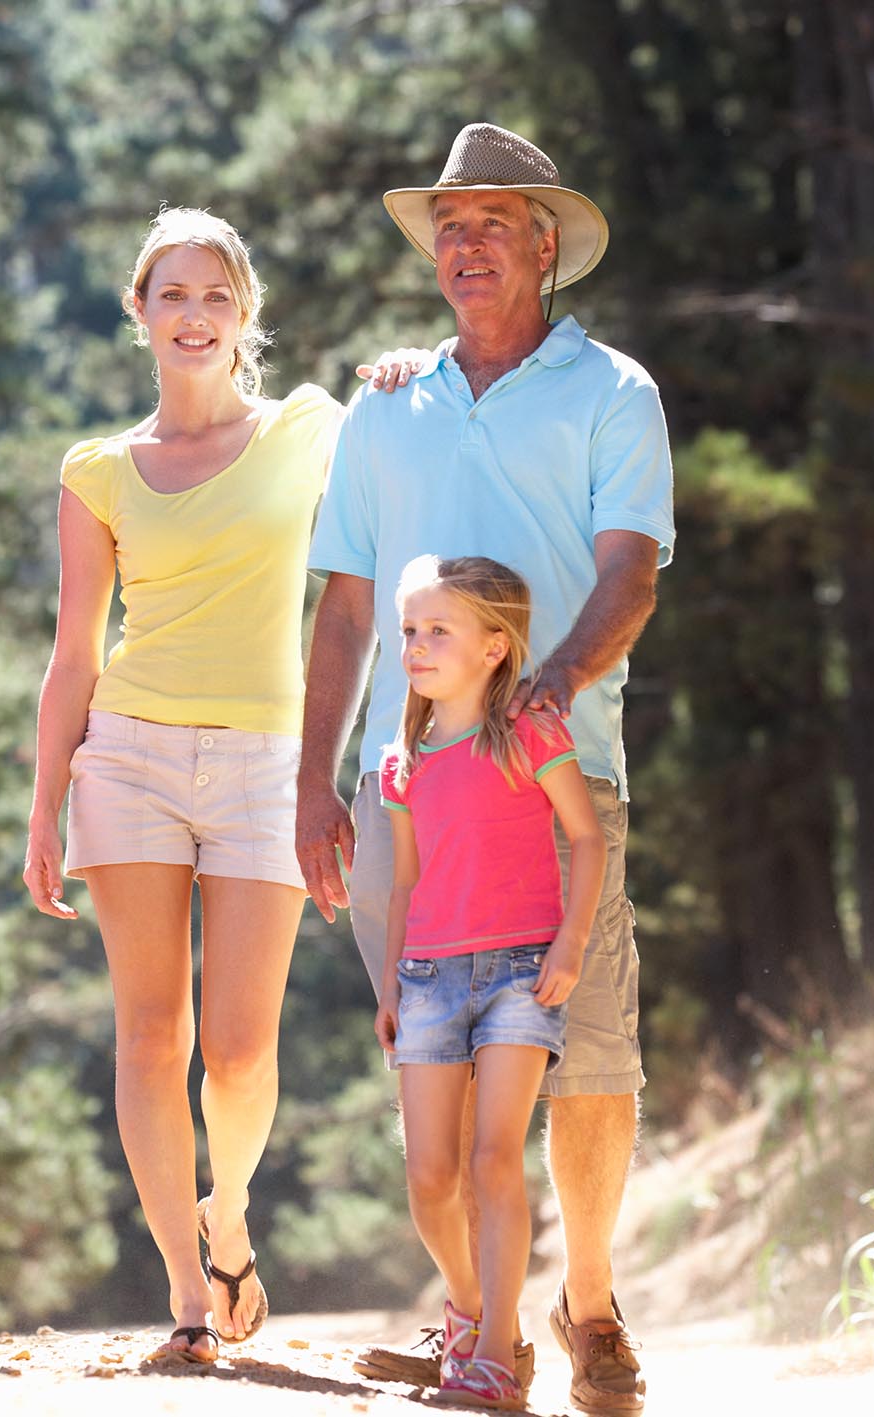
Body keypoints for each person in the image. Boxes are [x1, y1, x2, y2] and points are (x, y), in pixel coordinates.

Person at [298, 123, 672, 1413]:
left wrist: (547, 694)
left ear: (545, 243)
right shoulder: (385, 400)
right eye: (445, 225)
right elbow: (343, 608)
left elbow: (630, 570)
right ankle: (479, 1323)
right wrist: (313, 780)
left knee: (590, 1057)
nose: (462, 245)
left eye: (490, 222)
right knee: (435, 1076)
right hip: (399, 789)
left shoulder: (610, 390)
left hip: (560, 771)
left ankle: (588, 1302)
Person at [22, 208, 421, 1362]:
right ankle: (189, 1297)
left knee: (239, 1049)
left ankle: (228, 1209)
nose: (192, 316)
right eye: (171, 295)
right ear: (138, 311)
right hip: (129, 757)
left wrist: (401, 377)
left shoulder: (308, 428)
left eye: (214, 296)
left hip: (265, 761)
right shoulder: (95, 470)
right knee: (151, 1033)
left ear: (241, 313)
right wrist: (44, 805)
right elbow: (73, 656)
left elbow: (413, 442)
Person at [373, 555, 605, 1408]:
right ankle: (467, 1307)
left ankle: (496, 1358)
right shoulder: (404, 762)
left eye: (438, 630)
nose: (417, 646)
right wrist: (393, 987)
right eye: (408, 630)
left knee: (494, 1158)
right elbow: (404, 882)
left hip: (520, 974)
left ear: (495, 648)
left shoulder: (533, 733)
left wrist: (570, 944)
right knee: (432, 1177)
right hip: (428, 977)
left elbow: (586, 838)